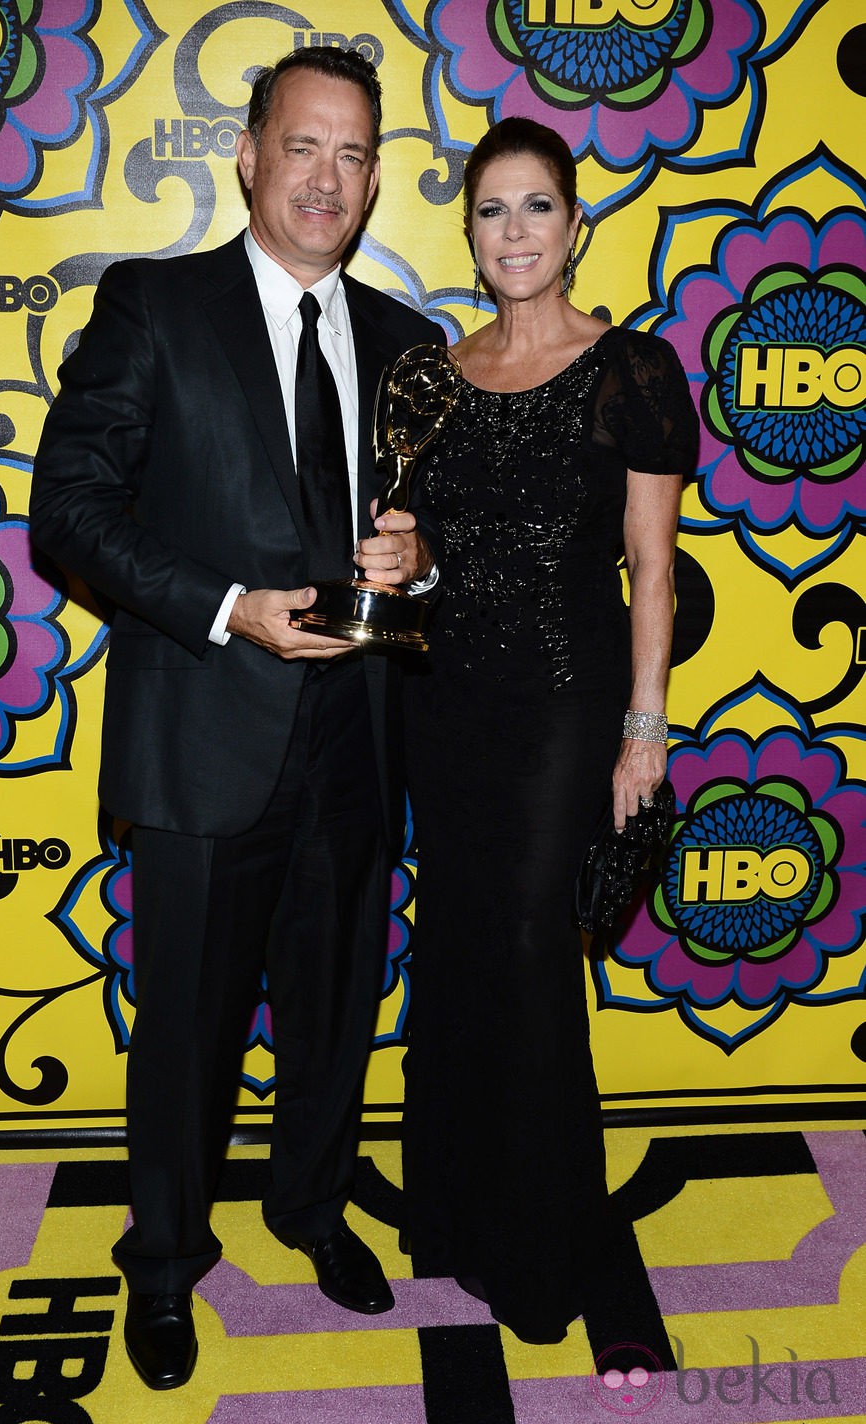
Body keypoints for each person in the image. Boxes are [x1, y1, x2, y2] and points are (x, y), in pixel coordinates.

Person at [30, 45, 443, 1391]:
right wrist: (226, 607)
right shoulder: (155, 307)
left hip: (358, 738)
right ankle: (161, 1264)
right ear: (251, 155)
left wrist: (419, 556)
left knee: (332, 1008)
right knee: (190, 1030)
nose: (329, 177)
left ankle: (311, 1208)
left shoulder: (406, 344)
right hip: (207, 726)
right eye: (305, 145)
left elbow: (435, 537)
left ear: (376, 177)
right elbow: (71, 510)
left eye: (356, 154)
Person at [401, 118, 699, 1360]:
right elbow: (415, 557)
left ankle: (544, 1239)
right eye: (490, 212)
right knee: (462, 946)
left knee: (529, 948)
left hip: (570, 704)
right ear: (467, 236)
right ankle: (465, 1217)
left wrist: (644, 731)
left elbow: (650, 569)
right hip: (445, 702)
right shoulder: (432, 374)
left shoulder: (628, 368)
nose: (512, 232)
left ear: (573, 227)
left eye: (535, 208)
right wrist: (404, 562)